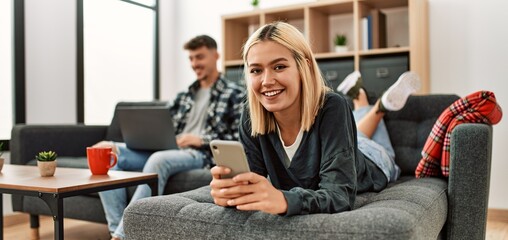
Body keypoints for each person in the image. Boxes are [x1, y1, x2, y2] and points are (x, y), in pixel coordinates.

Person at [209, 21, 420, 216]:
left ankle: (379, 107)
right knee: (356, 129)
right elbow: (252, 184)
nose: (266, 81)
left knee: (371, 141)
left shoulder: (332, 106)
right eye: (256, 70)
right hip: (343, 143)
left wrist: (284, 200)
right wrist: (231, 192)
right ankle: (361, 99)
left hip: (373, 158)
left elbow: (339, 196)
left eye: (279, 67)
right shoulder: (251, 114)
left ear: (305, 67)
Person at [95, 35, 245, 240]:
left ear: (216, 55)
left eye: (199, 57)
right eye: (191, 58)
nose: (194, 64)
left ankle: (123, 235)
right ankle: (116, 229)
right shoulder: (184, 95)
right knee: (107, 152)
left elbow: (238, 136)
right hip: (169, 147)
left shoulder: (234, 93)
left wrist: (199, 139)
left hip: (199, 153)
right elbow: (161, 126)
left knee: (159, 159)